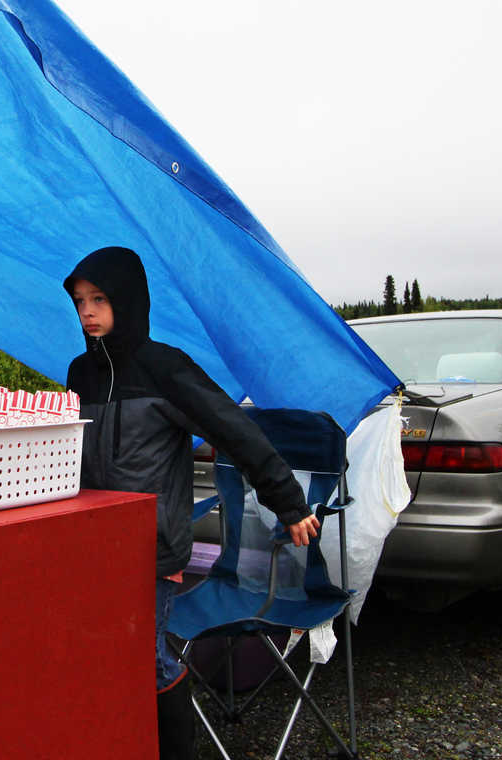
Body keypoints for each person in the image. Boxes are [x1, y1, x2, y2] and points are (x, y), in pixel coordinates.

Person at [63, 246, 319, 760]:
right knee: (97, 651)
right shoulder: (80, 373)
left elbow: (234, 429)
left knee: (147, 658)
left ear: (129, 301)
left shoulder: (165, 368)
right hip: (91, 541)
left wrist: (289, 503)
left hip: (152, 546)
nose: (88, 311)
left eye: (99, 299)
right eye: (79, 301)